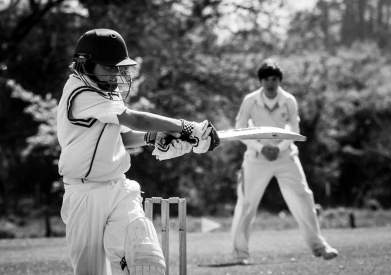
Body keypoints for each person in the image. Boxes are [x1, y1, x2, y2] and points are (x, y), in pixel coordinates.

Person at [56, 28, 219, 275]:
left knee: (144, 259)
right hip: (85, 194)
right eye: (109, 67)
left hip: (119, 188)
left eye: (118, 68)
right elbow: (134, 119)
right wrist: (186, 127)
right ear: (86, 63)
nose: (115, 74)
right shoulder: (80, 92)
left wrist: (153, 137)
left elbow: (121, 137)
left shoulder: (104, 89)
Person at [230, 59, 338, 263]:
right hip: (256, 158)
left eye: (274, 79)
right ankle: (239, 253)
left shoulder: (288, 100)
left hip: (285, 155)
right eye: (266, 79)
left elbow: (294, 131)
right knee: (246, 203)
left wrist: (278, 148)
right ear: (260, 81)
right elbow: (240, 130)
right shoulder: (250, 100)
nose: (271, 83)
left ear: (279, 80)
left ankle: (319, 246)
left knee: (303, 197)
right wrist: (262, 148)